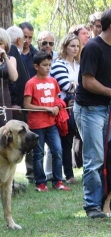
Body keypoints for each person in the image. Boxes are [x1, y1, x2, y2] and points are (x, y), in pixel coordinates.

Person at [74, 9, 111, 218]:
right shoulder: (93, 47)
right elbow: (88, 82)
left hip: (107, 109)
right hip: (90, 110)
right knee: (95, 158)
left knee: (107, 157)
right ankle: (92, 206)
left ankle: (104, 202)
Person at [23, 51, 71, 192]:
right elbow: (27, 105)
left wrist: (57, 106)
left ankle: (58, 181)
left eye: (49, 65)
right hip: (37, 125)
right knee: (38, 155)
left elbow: (57, 98)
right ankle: (40, 183)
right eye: (45, 65)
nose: (48, 68)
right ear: (36, 66)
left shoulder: (53, 81)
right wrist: (45, 108)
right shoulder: (31, 83)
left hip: (52, 124)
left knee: (57, 150)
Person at [50, 34, 81, 185]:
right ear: (65, 47)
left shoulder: (79, 64)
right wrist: (76, 84)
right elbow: (66, 86)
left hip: (81, 106)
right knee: (67, 141)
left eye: (77, 46)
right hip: (65, 108)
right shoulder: (58, 64)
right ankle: (68, 174)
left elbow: (80, 84)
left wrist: (76, 84)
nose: (75, 49)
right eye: (72, 46)